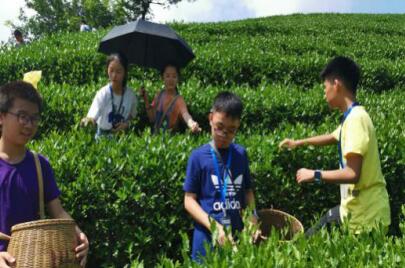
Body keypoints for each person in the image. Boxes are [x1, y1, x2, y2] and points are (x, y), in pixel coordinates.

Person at [279, 56, 391, 235]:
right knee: (315, 232)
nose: (324, 93)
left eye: (325, 87)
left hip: (367, 217)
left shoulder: (356, 120)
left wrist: (314, 174)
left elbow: (352, 173)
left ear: (336, 84)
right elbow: (332, 136)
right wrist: (298, 143)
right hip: (354, 208)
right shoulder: (352, 117)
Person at [0, 81, 89, 267]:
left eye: (34, 118)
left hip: (32, 260)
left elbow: (58, 211)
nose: (29, 124)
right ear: (2, 116)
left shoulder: (40, 165)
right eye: (22, 116)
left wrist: (78, 234)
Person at [183, 91, 258, 262]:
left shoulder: (240, 154)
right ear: (210, 118)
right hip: (206, 238)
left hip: (238, 237)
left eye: (231, 130)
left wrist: (253, 217)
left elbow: (247, 191)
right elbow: (188, 200)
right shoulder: (198, 156)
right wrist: (214, 226)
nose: (224, 135)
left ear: (238, 126)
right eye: (219, 127)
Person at [81, 53, 138, 138]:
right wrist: (88, 121)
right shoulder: (103, 93)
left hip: (122, 138)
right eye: (111, 70)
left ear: (125, 73)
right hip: (102, 137)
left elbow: (133, 116)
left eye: (118, 71)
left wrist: (126, 124)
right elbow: (93, 116)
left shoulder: (131, 95)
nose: (114, 75)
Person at [139, 64, 200, 134]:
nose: (171, 79)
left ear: (178, 79)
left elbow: (185, 114)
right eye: (167, 76)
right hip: (156, 139)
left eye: (174, 76)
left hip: (170, 141)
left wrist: (192, 124)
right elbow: (152, 118)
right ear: (162, 78)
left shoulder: (179, 100)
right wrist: (145, 99)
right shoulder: (159, 95)